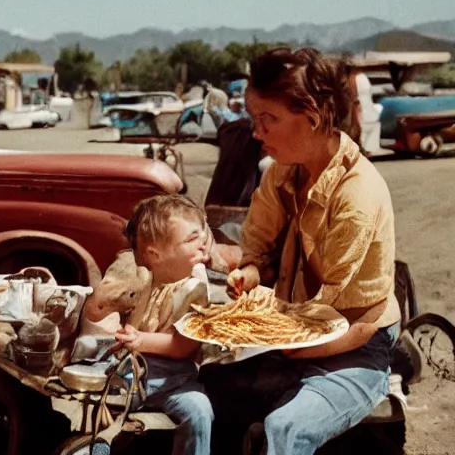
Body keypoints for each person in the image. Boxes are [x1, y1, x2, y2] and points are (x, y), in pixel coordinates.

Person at [227, 48, 397, 454]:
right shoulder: (286, 170)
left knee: (285, 427)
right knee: (211, 396)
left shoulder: (356, 195)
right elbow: (260, 237)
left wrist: (275, 336)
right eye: (255, 119)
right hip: (300, 330)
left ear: (316, 116)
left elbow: (346, 317)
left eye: (269, 119)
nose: (256, 132)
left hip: (357, 342)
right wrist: (249, 270)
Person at [92, 195, 215, 455]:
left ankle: (106, 439)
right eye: (192, 240)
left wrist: (140, 340)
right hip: (134, 371)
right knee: (103, 386)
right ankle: (99, 442)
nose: (203, 247)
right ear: (155, 255)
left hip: (174, 379)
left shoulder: (195, 287)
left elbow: (183, 345)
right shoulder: (144, 278)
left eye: (202, 239)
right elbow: (102, 307)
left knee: (199, 409)